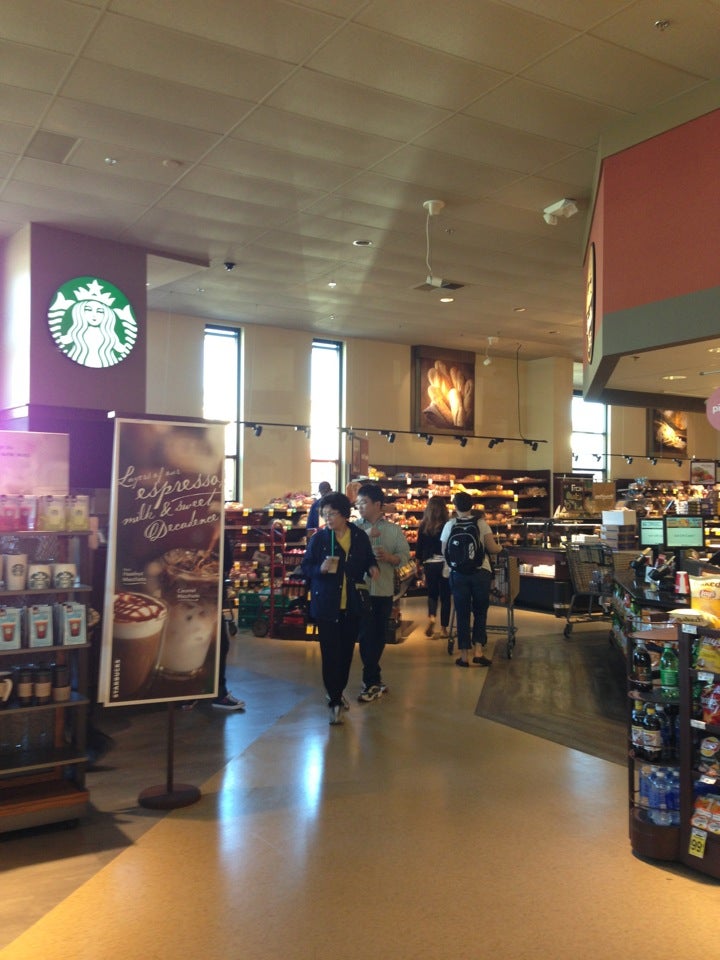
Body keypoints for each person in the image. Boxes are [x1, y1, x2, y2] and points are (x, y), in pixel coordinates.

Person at [300, 492, 378, 725]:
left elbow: (368, 558)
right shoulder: (320, 539)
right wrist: (320, 569)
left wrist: (372, 567)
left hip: (351, 604)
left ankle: (338, 690)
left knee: (345, 654)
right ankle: (334, 700)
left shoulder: (358, 536)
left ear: (344, 514)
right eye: (325, 514)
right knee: (330, 653)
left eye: (332, 514)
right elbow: (306, 567)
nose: (328, 519)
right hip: (326, 605)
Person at [354, 483, 411, 702]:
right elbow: (347, 553)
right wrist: (366, 537)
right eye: (358, 503)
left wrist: (389, 557)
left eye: (364, 502)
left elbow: (404, 557)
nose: (360, 507)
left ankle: (373, 677)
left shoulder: (393, 530)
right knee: (365, 634)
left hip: (384, 589)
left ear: (378, 504)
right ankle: (371, 680)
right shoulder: (355, 529)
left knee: (378, 635)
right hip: (361, 590)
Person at [441, 491, 502, 668]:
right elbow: (492, 548)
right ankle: (478, 652)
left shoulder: (450, 525)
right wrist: (500, 547)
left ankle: (464, 656)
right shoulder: (481, 523)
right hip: (480, 572)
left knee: (462, 613)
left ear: (455, 506)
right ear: (472, 506)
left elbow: (444, 551)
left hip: (458, 574)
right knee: (480, 612)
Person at [212, 531, 246, 710]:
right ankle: (218, 693)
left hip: (182, 595)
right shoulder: (215, 527)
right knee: (219, 645)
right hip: (210, 594)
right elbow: (226, 561)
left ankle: (189, 696)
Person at [415, 496, 451, 639]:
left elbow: (419, 547)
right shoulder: (447, 525)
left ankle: (432, 617)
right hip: (444, 563)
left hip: (429, 563)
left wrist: (418, 564)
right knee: (446, 596)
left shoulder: (424, 525)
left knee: (432, 594)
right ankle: (443, 629)